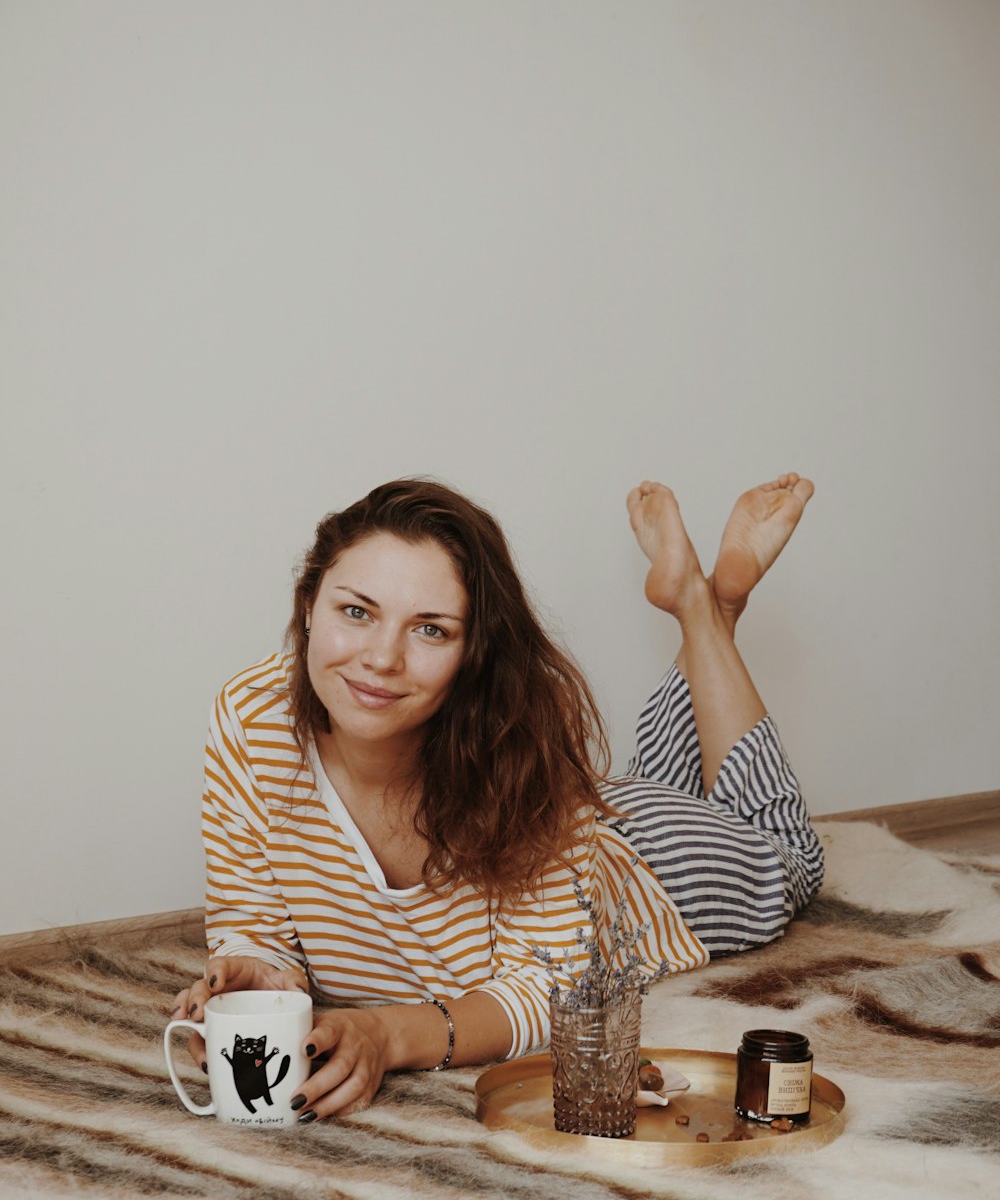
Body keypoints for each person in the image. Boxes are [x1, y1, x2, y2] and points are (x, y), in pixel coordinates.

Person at [170, 472, 823, 1122]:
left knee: (790, 857)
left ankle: (704, 606)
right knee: (661, 777)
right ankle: (709, 609)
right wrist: (255, 973)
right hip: (573, 820)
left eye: (430, 629)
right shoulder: (250, 717)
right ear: (309, 603)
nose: (381, 658)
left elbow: (552, 989)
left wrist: (387, 1034)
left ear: (472, 652)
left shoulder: (527, 740)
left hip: (640, 866)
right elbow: (255, 923)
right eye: (356, 611)